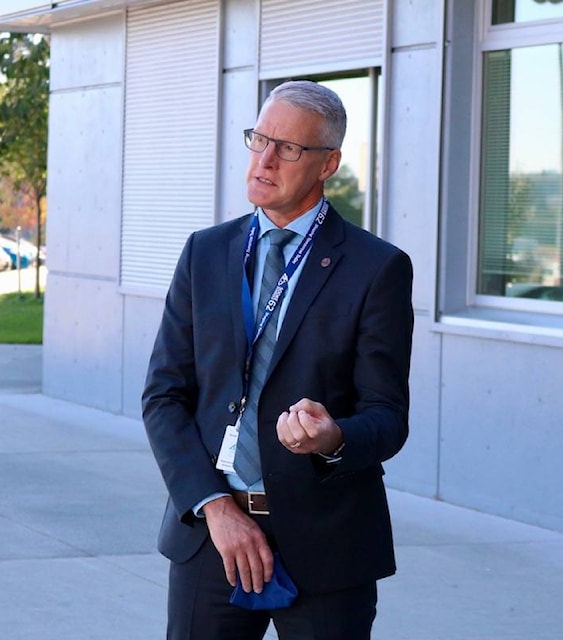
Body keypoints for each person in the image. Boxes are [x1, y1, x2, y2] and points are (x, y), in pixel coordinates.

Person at [142, 80, 414, 639]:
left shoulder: (376, 268)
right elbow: (163, 396)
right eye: (260, 139)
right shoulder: (205, 252)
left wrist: (332, 438)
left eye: (288, 148)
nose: (265, 159)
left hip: (325, 544)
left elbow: (387, 418)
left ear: (327, 163)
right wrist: (215, 507)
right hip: (211, 536)